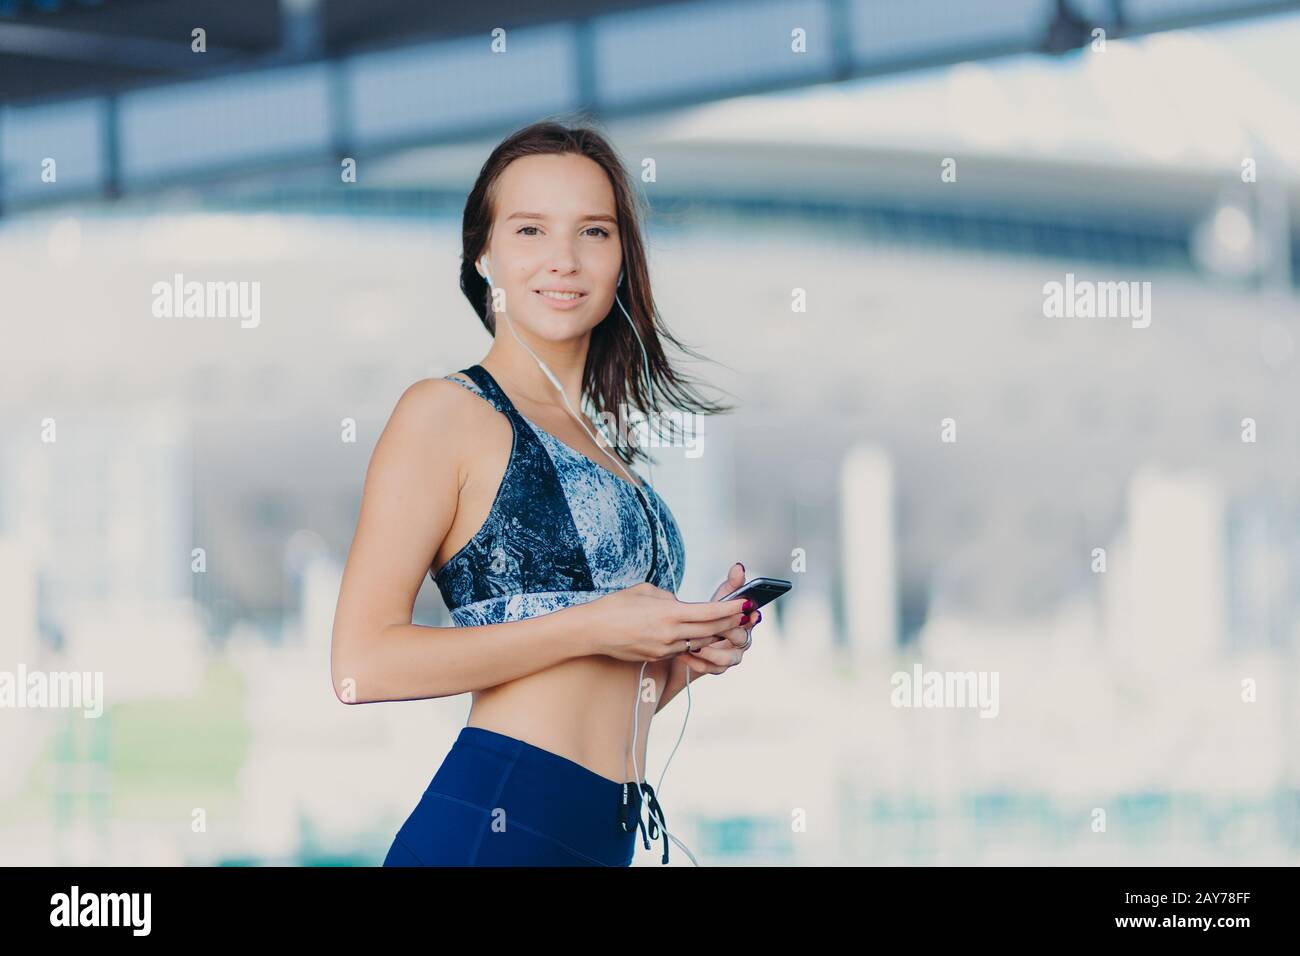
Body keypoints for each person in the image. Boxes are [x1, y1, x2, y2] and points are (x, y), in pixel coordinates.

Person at [330, 119, 762, 866]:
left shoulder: (600, 442)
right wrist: (596, 625)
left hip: (598, 832)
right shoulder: (446, 413)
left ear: (623, 257)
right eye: (530, 229)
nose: (564, 260)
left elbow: (607, 691)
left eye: (594, 232)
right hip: (499, 825)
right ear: (483, 253)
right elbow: (359, 664)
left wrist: (681, 661)